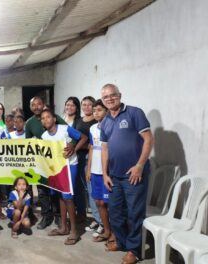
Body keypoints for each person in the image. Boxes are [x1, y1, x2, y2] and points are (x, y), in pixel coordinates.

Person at [100, 84, 153, 264]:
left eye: (113, 95)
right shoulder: (105, 122)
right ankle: (122, 242)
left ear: (120, 95)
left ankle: (134, 250)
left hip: (134, 174)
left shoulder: (134, 113)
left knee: (134, 214)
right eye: (106, 97)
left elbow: (148, 139)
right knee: (115, 213)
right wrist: (105, 174)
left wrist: (139, 165)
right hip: (114, 176)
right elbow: (105, 150)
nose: (110, 99)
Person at [41, 109, 87, 245]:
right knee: (61, 195)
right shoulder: (44, 136)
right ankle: (64, 227)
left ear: (54, 119)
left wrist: (74, 147)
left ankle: (74, 231)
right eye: (43, 118)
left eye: (48, 117)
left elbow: (83, 138)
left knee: (68, 197)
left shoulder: (65, 129)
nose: (45, 120)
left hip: (70, 165)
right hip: (57, 168)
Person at [25, 96, 72, 229]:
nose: (36, 107)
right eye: (33, 105)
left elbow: (69, 131)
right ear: (30, 108)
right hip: (40, 161)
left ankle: (58, 216)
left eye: (38, 104)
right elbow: (28, 143)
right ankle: (46, 216)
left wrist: (72, 145)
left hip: (57, 161)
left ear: (43, 104)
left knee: (56, 188)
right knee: (42, 190)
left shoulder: (54, 117)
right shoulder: (29, 123)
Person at [86, 99, 112, 243]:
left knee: (108, 203)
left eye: (99, 110)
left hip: (106, 172)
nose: (96, 113)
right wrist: (89, 169)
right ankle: (106, 230)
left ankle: (113, 232)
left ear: (106, 111)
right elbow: (91, 149)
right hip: (95, 171)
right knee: (98, 202)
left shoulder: (110, 126)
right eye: (94, 110)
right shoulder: (92, 128)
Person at [75, 96, 100, 227]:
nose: (86, 107)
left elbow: (93, 143)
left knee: (90, 189)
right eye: (83, 104)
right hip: (77, 157)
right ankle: (82, 214)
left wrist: (80, 146)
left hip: (90, 157)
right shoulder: (78, 120)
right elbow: (74, 137)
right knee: (79, 188)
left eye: (89, 105)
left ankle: (98, 219)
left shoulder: (96, 121)